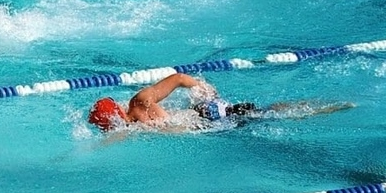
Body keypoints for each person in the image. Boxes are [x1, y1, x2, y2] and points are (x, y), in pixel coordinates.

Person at [86, 73, 352, 133]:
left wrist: (201, 87)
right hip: (204, 115)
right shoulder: (136, 118)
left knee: (273, 114)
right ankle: (325, 107)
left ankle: (329, 107)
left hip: (210, 117)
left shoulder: (141, 103)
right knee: (265, 113)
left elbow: (178, 78)